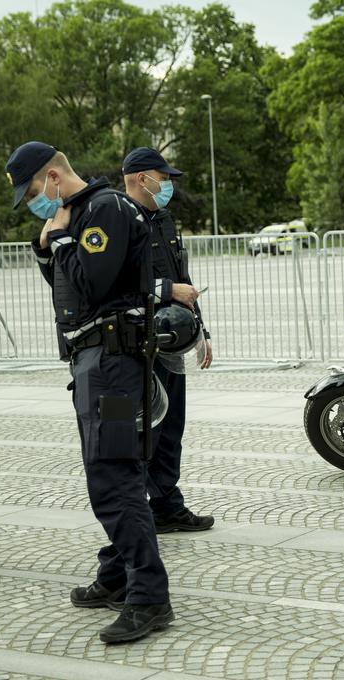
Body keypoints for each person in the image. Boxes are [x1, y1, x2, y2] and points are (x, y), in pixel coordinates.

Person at [7, 141, 172, 643]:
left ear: (54, 178)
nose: (35, 202)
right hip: (96, 362)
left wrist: (59, 240)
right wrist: (48, 249)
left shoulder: (103, 210)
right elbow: (68, 285)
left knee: (114, 477)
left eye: (34, 191)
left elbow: (94, 284)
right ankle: (118, 576)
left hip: (114, 366)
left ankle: (149, 597)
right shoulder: (81, 215)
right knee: (114, 472)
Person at [121, 147, 215, 534]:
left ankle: (166, 506)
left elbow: (184, 280)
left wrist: (200, 331)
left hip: (171, 342)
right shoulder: (119, 220)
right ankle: (133, 510)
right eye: (164, 177)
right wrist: (165, 290)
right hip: (136, 343)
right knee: (143, 430)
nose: (170, 185)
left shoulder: (164, 219)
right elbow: (113, 281)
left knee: (171, 425)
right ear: (142, 179)